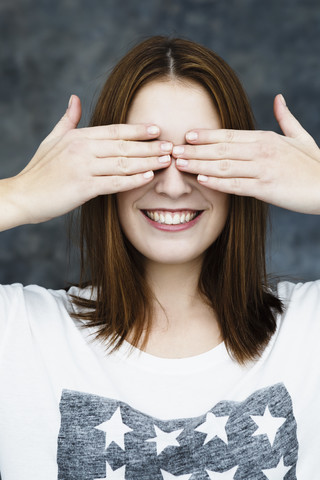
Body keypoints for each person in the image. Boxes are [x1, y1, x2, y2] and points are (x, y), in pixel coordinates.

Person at [0, 36, 319, 480]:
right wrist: (17, 195)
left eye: (199, 155)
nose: (173, 186)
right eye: (145, 155)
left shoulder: (309, 331)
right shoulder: (17, 333)